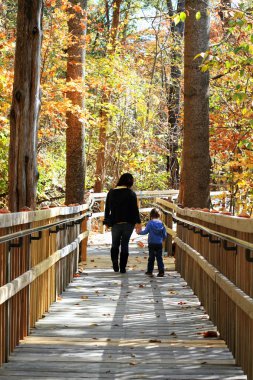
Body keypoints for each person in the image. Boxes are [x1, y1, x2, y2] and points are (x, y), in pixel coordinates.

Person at [104, 173, 142, 273]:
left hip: (116, 223)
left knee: (115, 244)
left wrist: (106, 221)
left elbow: (107, 208)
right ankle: (123, 268)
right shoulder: (131, 194)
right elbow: (135, 210)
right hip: (128, 223)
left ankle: (115, 263)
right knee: (125, 244)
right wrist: (138, 223)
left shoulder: (111, 192)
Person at [137, 208, 167, 277]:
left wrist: (139, 232)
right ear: (159, 215)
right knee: (159, 258)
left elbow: (145, 232)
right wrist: (163, 239)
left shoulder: (150, 223)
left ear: (151, 215)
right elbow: (164, 234)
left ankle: (150, 271)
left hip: (151, 243)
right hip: (159, 243)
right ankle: (161, 271)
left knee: (151, 257)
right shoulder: (161, 224)